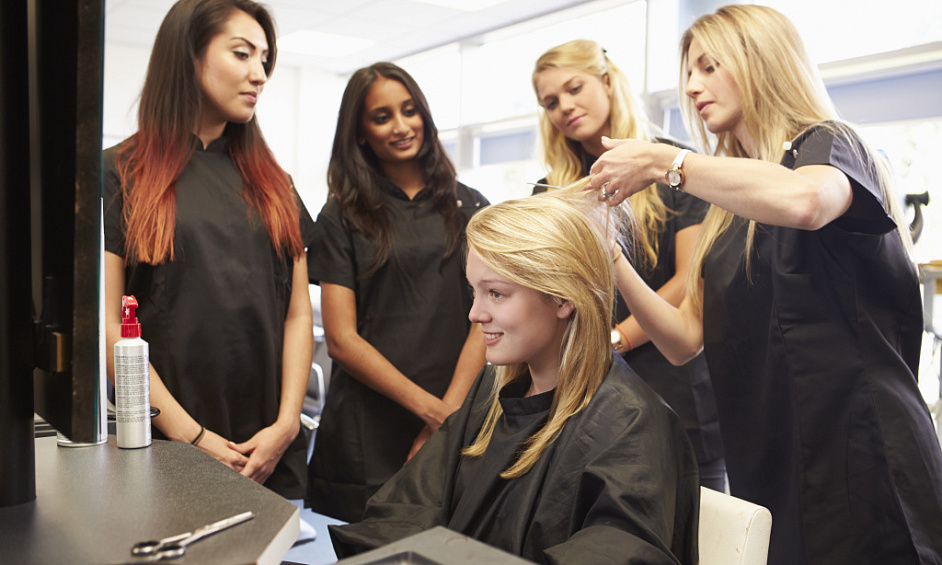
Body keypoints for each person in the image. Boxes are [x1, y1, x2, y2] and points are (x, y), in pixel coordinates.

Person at [588, 5, 942, 564]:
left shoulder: (829, 145)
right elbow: (684, 340)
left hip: (860, 449)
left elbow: (805, 202)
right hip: (768, 454)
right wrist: (612, 260)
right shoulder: (726, 209)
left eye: (709, 66)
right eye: (688, 73)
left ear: (763, 61)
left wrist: (666, 161)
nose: (692, 87)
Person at [329, 190, 700, 565]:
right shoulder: (491, 393)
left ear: (562, 298)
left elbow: (616, 553)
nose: (475, 314)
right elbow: (405, 511)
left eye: (496, 294)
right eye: (474, 292)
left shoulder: (630, 422)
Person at [103, 0, 314, 499]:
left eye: (264, 59)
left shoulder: (275, 184)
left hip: (264, 448)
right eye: (242, 54)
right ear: (189, 55)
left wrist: (286, 425)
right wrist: (188, 433)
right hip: (164, 446)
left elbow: (297, 314)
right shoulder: (119, 173)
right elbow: (107, 324)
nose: (259, 74)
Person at [532, 39, 725, 491]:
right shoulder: (551, 191)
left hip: (673, 381)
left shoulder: (675, 166)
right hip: (588, 389)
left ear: (606, 80)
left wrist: (617, 340)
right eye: (551, 102)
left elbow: (686, 280)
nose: (565, 107)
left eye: (574, 88)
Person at [305, 62, 489, 522]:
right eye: (382, 116)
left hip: (458, 406)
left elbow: (486, 320)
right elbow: (343, 341)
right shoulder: (342, 216)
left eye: (410, 111)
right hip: (367, 428)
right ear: (361, 132)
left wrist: (448, 417)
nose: (402, 126)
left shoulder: (471, 207)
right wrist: (435, 414)